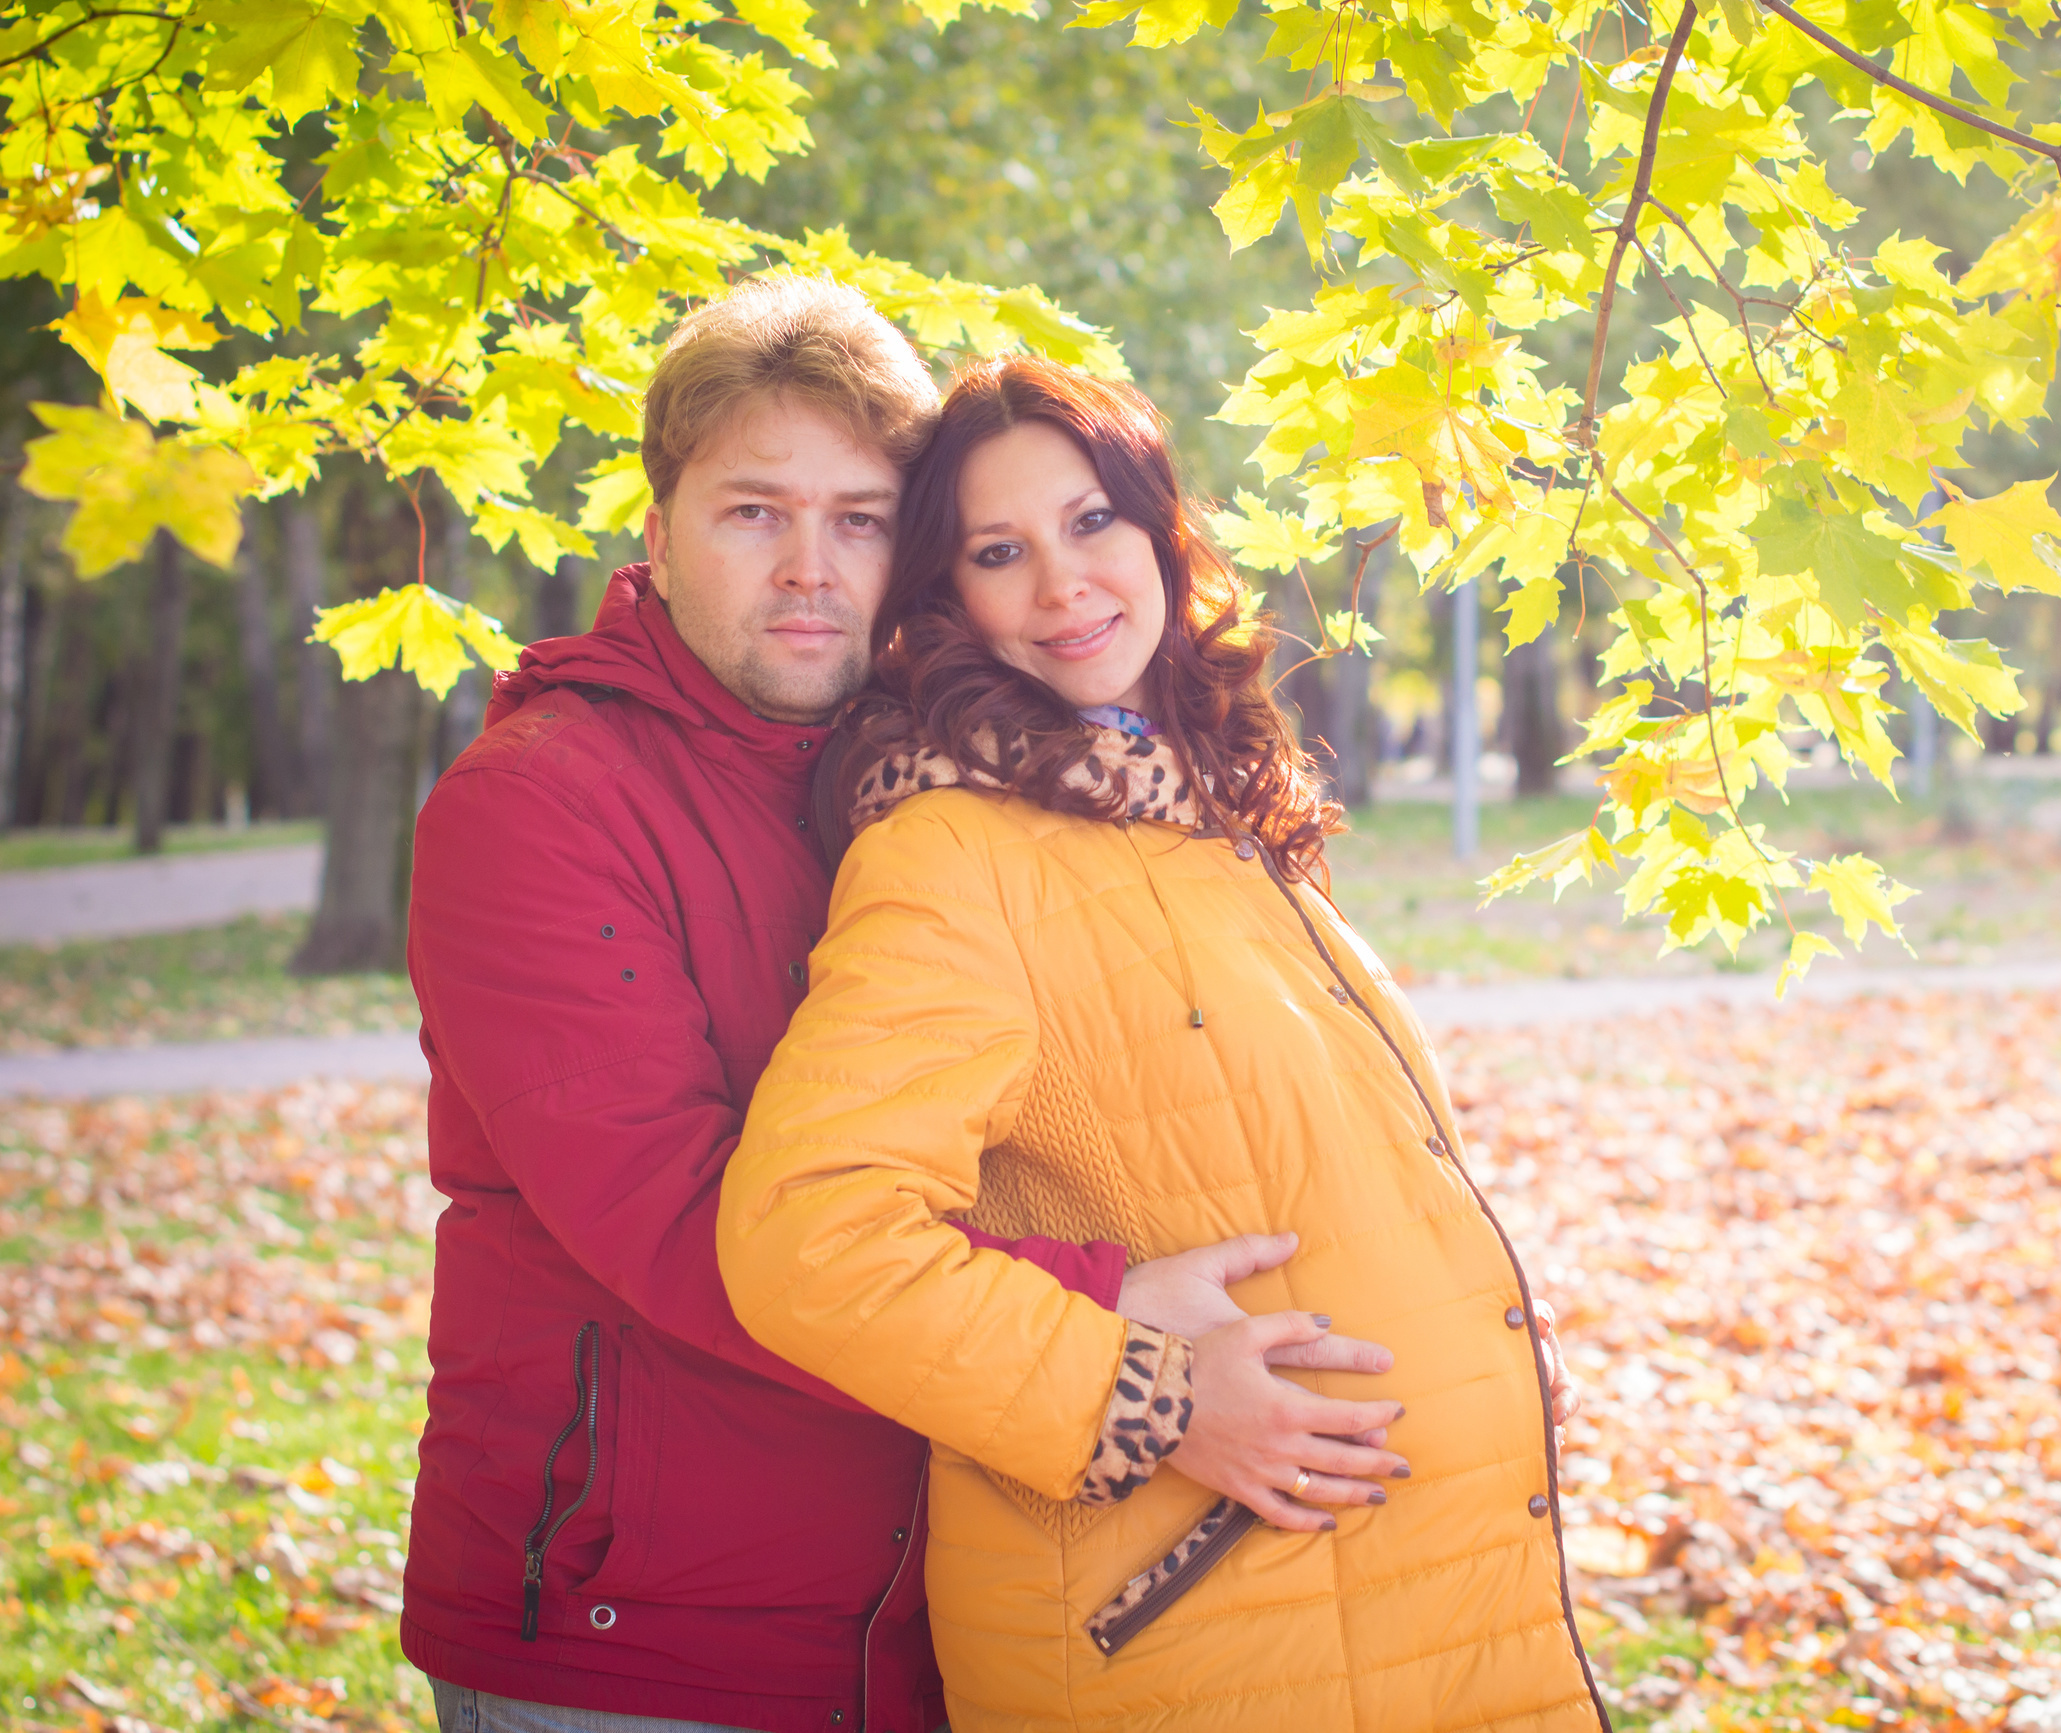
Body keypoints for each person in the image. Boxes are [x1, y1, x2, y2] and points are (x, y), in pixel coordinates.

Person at [402, 275, 1375, 1733]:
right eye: (754, 512)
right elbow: (693, 1230)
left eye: (858, 519)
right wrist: (1121, 1333)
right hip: (640, 1640)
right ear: (658, 533)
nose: (810, 567)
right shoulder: (541, 804)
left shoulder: (930, 781)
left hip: (943, 1611)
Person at [716, 357, 1607, 1731]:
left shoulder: (1203, 814)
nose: (1062, 586)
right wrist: (1151, 1396)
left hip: (1416, 1604)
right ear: (947, 602)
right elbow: (806, 1235)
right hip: (1214, 1636)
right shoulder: (953, 851)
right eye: (999, 553)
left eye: (1090, 525)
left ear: (1158, 532)